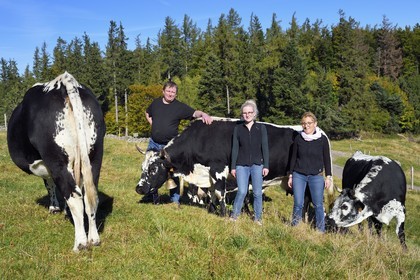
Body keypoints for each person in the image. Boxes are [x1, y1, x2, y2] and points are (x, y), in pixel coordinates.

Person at [144, 80, 213, 205]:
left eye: (173, 92)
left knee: (173, 172)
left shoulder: (179, 106)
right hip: (154, 143)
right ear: (163, 91)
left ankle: (174, 199)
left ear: (176, 94)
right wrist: (153, 124)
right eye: (168, 91)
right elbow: (147, 113)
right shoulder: (156, 103)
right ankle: (151, 196)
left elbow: (194, 113)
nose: (170, 94)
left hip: (171, 146)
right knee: (152, 170)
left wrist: (203, 114)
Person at [287, 111, 332, 232]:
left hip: (316, 176)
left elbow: (327, 159)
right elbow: (293, 158)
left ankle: (320, 230)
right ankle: (295, 227)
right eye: (304, 123)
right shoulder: (298, 139)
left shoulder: (322, 140)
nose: (306, 126)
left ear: (315, 124)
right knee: (298, 203)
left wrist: (328, 176)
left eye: (309, 123)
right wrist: (290, 175)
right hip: (298, 175)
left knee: (318, 204)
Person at [230, 100, 269, 225]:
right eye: (245, 113)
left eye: (250, 112)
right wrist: (233, 167)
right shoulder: (238, 129)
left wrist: (266, 165)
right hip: (241, 165)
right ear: (242, 114)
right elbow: (235, 148)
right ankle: (234, 216)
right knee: (242, 191)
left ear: (254, 113)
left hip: (257, 165)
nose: (247, 115)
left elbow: (265, 148)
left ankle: (258, 218)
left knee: (257, 192)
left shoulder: (261, 128)